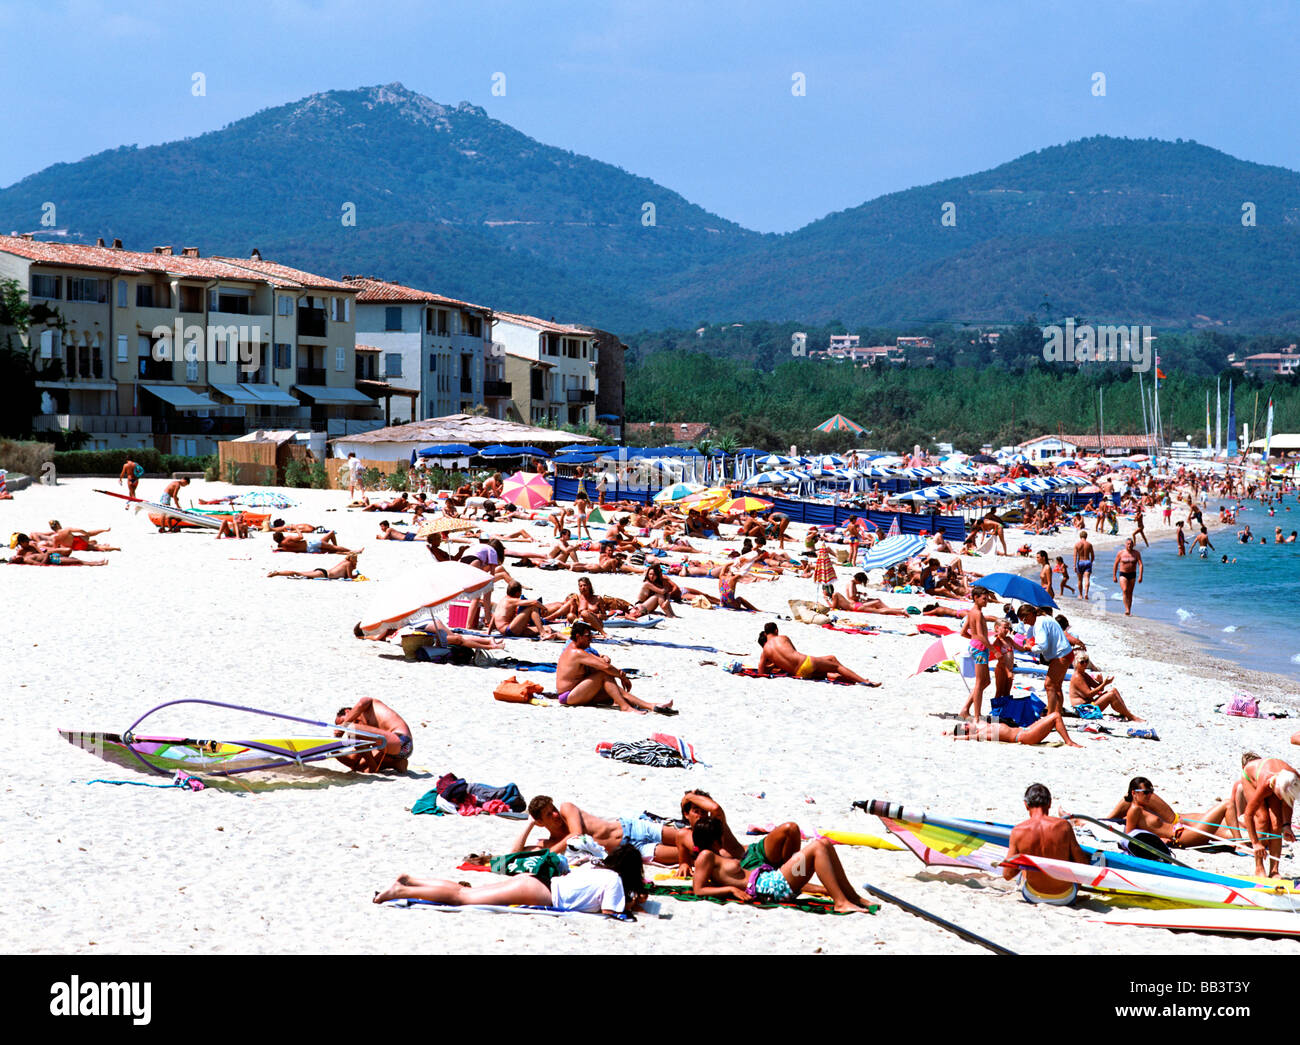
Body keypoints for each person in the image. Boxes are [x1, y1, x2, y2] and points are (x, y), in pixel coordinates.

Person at [373, 844, 647, 915]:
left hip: (538, 882)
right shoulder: (613, 882)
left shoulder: (598, 868)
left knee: (466, 892)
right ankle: (398, 891)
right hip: (541, 893)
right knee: (463, 898)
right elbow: (611, 912)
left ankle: (413, 880)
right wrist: (633, 905)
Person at [688, 815, 874, 913]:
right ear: (713, 838)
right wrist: (730, 890)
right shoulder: (705, 856)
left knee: (824, 843)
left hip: (774, 881)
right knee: (817, 846)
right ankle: (840, 902)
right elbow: (698, 889)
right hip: (770, 888)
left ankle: (852, 897)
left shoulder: (717, 855)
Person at [514, 794, 680, 863]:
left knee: (687, 839)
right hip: (630, 850)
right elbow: (513, 856)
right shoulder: (550, 842)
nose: (556, 815)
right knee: (686, 854)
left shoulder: (567, 809)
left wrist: (550, 853)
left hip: (632, 828)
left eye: (553, 810)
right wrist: (528, 824)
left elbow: (577, 835)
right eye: (549, 815)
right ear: (540, 822)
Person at [555, 621, 672, 713]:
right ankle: (625, 707)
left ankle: (652, 706)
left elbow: (598, 661)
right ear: (578, 636)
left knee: (616, 691)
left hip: (577, 691)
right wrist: (623, 676)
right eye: (587, 635)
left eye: (591, 635)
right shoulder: (576, 652)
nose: (590, 638)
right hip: (569, 696)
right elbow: (605, 668)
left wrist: (603, 657)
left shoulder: (577, 648)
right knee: (603, 674)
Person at [1001, 783, 1088, 904]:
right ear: (1050, 803)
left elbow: (1007, 875)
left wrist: (1024, 863)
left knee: (1025, 865)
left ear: (1026, 805)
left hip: (1033, 896)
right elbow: (1083, 865)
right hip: (1065, 897)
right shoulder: (1063, 826)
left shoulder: (1018, 831)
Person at [1121, 776, 1239, 850]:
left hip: (1184, 833)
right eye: (1145, 792)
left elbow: (1146, 829)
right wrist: (1158, 841)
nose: (1150, 795)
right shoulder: (1135, 810)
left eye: (1151, 792)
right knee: (1227, 804)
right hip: (1182, 838)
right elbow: (1129, 837)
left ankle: (1239, 841)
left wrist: (1158, 837)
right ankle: (1239, 842)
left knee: (1227, 809)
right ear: (1134, 793)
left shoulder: (1143, 808)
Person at [756, 622, 879, 686]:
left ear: (766, 634)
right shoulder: (783, 637)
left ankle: (852, 679)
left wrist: (772, 666)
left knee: (831, 660)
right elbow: (795, 653)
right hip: (805, 662)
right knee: (836, 666)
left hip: (798, 673)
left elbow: (761, 672)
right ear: (776, 630)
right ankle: (864, 681)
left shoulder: (765, 650)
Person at [1239, 757, 1300, 878]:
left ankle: (1274, 870)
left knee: (1277, 824)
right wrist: (1255, 843)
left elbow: (1288, 802)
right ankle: (1259, 867)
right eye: (1281, 796)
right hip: (1252, 779)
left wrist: (1287, 826)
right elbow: (1248, 814)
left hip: (1279, 781)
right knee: (1262, 818)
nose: (1282, 799)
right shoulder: (1265, 784)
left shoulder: (1295, 779)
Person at [1015, 605, 1071, 715]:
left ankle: (1051, 716)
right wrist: (1027, 641)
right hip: (1066, 653)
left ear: (1031, 614)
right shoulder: (1041, 619)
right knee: (1057, 686)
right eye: (1022, 621)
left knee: (1049, 685)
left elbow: (1042, 646)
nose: (1025, 623)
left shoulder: (1040, 623)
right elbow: (1029, 635)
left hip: (1061, 655)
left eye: (1025, 619)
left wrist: (1031, 648)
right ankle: (1057, 714)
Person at [334, 697, 412, 772]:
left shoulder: (369, 707)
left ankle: (373, 768)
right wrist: (335, 752)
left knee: (351, 729)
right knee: (359, 766)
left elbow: (365, 700)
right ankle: (396, 764)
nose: (341, 727)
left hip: (400, 739)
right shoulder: (365, 731)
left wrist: (343, 726)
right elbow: (353, 761)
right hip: (396, 751)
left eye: (342, 721)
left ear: (347, 711)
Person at [1068, 653, 1143, 721]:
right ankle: (1131, 716)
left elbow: (1099, 688)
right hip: (1083, 710)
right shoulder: (1077, 676)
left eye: (1086, 661)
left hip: (1088, 705)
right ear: (1076, 663)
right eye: (1082, 662)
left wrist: (1101, 682)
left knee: (1113, 690)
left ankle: (1126, 712)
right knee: (1110, 695)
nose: (1084, 664)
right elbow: (1089, 694)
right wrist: (1104, 684)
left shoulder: (1083, 674)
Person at [952, 712, 1081, 747]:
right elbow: (968, 737)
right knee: (1056, 716)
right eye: (967, 727)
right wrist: (956, 737)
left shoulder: (983, 727)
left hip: (1024, 731)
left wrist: (949, 732)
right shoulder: (982, 734)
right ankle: (1069, 742)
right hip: (1024, 736)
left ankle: (1069, 741)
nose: (968, 724)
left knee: (1052, 715)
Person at [959, 588, 993, 720]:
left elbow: (963, 632)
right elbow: (980, 635)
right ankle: (977, 716)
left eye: (987, 598)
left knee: (986, 681)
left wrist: (974, 639)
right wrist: (994, 650)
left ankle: (965, 708)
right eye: (984, 598)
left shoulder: (971, 613)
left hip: (976, 647)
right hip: (980, 649)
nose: (987, 601)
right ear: (975, 597)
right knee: (980, 683)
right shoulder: (977, 613)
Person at [492, 581, 558, 639]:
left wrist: (489, 632)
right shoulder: (512, 601)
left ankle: (545, 632)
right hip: (509, 630)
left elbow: (494, 616)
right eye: (520, 592)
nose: (521, 594)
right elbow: (534, 602)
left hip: (506, 630)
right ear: (517, 593)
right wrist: (544, 608)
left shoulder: (502, 600)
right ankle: (543, 634)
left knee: (547, 628)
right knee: (533, 607)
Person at [268, 553, 361, 580]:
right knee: (297, 573)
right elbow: (349, 577)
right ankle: (277, 573)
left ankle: (277, 573)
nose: (356, 562)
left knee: (299, 573)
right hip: (324, 574)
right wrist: (356, 576)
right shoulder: (348, 564)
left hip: (322, 571)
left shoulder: (345, 561)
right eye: (356, 560)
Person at [1112, 538, 1143, 616]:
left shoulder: (1136, 553)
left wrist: (1140, 576)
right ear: (1125, 544)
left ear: (1133, 545)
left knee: (1130, 592)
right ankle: (1127, 609)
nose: (1129, 545)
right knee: (1125, 590)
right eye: (1128, 544)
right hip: (1123, 574)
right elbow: (1115, 564)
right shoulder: (1121, 553)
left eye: (1131, 544)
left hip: (1132, 574)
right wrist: (1114, 576)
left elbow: (1140, 564)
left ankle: (1129, 609)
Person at [272, 531, 361, 555]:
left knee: (331, 545)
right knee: (333, 544)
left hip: (309, 550)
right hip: (311, 544)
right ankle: (354, 551)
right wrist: (297, 530)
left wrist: (274, 549)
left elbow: (278, 549)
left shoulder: (283, 546)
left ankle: (342, 551)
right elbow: (301, 537)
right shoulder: (288, 538)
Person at [1072, 530, 1095, 600]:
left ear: (1080, 536)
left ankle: (1080, 594)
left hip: (1080, 562)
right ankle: (1086, 594)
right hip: (1087, 561)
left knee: (1079, 580)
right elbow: (1093, 556)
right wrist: (1090, 562)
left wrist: (1074, 565)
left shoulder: (1077, 544)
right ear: (1086, 536)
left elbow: (1075, 556)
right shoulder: (1089, 544)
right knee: (1087, 579)